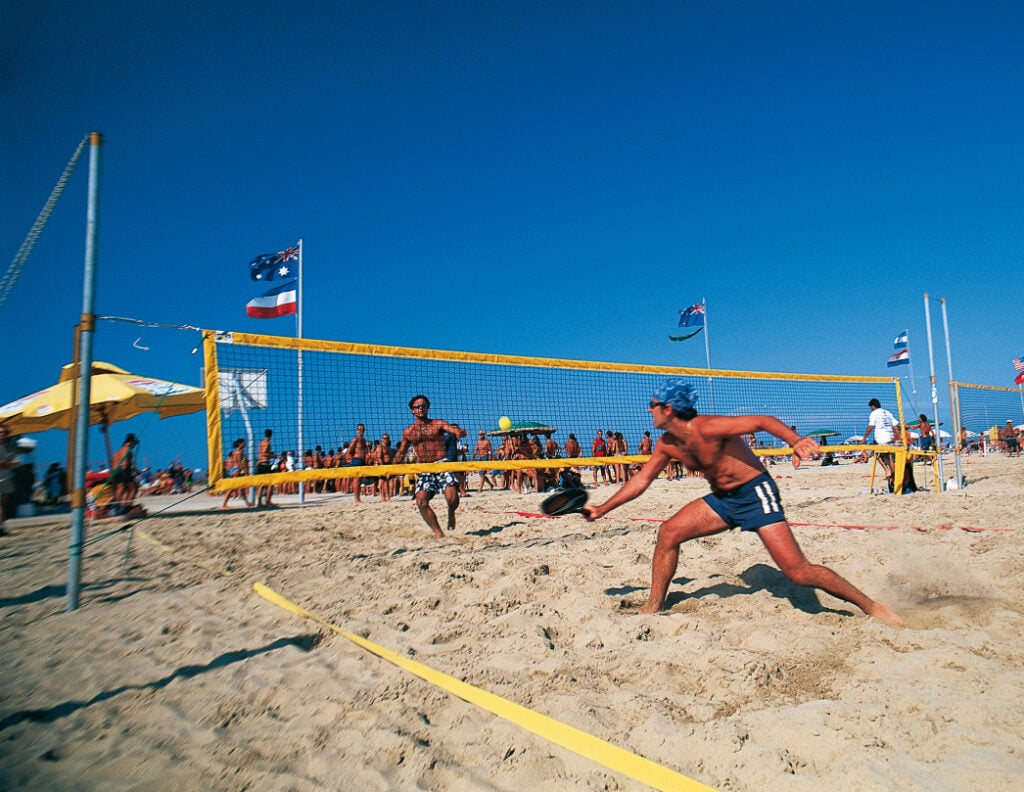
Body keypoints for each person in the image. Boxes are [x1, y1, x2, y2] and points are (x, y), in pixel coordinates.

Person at [583, 379, 903, 625]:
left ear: (668, 409)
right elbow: (642, 479)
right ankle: (654, 605)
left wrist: (795, 441)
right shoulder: (667, 443)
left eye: (651, 404)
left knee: (798, 572)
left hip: (755, 493)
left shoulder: (707, 427)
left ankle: (871, 606)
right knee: (668, 532)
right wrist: (602, 508)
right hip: (724, 500)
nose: (647, 409)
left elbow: (762, 421)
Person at [393, 395, 467, 539]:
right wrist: (389, 467)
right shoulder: (408, 432)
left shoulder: (437, 424)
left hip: (441, 464)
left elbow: (451, 429)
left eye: (423, 406)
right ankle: (438, 532)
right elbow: (401, 451)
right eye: (417, 406)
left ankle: (451, 511)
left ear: (427, 408)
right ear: (412, 411)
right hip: (425, 468)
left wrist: (459, 432)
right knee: (421, 501)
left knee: (452, 498)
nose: (420, 408)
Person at [862, 398, 898, 489]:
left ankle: (887, 471)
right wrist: (896, 437)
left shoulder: (874, 413)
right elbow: (895, 426)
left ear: (873, 406)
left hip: (881, 438)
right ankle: (895, 478)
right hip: (890, 438)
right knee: (891, 459)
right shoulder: (888, 413)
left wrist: (864, 438)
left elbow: (870, 426)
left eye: (871, 407)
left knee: (876, 454)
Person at [0, 426, 22, 534]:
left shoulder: (10, 447)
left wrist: (5, 464)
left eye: (4, 432)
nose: (2, 434)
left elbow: (17, 462)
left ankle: (1, 525)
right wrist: (6, 463)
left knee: (3, 504)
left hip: (7, 478)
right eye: (0, 432)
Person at [109, 433, 140, 507]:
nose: (134, 446)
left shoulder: (118, 452)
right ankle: (127, 506)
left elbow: (113, 464)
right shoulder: (127, 450)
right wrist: (130, 473)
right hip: (122, 470)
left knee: (121, 488)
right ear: (130, 442)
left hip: (114, 472)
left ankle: (117, 505)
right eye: (133, 443)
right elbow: (125, 464)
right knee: (133, 488)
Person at [221, 438, 252, 509]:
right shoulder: (240, 452)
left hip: (234, 470)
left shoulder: (235, 452)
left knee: (242, 488)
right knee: (232, 488)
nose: (245, 444)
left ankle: (247, 503)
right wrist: (246, 471)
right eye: (244, 443)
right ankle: (224, 504)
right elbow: (240, 463)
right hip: (237, 470)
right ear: (240, 443)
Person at [256, 429, 276, 507]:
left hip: (260, 464)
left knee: (261, 484)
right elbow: (264, 454)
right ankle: (268, 501)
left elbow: (262, 453)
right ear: (271, 435)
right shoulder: (267, 443)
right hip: (265, 464)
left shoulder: (260, 443)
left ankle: (259, 502)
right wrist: (274, 456)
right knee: (270, 484)